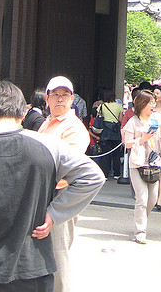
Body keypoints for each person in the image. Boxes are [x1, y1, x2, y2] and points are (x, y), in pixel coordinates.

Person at [0, 80, 104, 292]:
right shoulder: (48, 144)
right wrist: (54, 214)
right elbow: (93, 176)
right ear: (23, 113)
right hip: (35, 264)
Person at [39, 77, 90, 292]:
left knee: (59, 256)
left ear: (72, 99)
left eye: (65, 95)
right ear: (47, 98)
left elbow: (63, 168)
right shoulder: (47, 122)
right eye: (56, 95)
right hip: (46, 194)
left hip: (60, 197)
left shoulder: (74, 128)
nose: (60, 99)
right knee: (47, 254)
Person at [123, 90, 161, 244]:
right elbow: (127, 143)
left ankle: (141, 217)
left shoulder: (157, 117)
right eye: (150, 102)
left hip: (154, 163)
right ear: (141, 104)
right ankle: (140, 231)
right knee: (142, 198)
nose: (153, 105)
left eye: (153, 102)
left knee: (151, 199)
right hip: (137, 163)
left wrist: (160, 124)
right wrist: (142, 138)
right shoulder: (133, 121)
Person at [95, 89, 123, 179]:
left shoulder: (102, 106)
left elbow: (98, 118)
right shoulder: (119, 106)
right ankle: (117, 174)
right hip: (116, 131)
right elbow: (120, 120)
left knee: (105, 153)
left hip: (105, 132)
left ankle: (105, 174)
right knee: (116, 154)